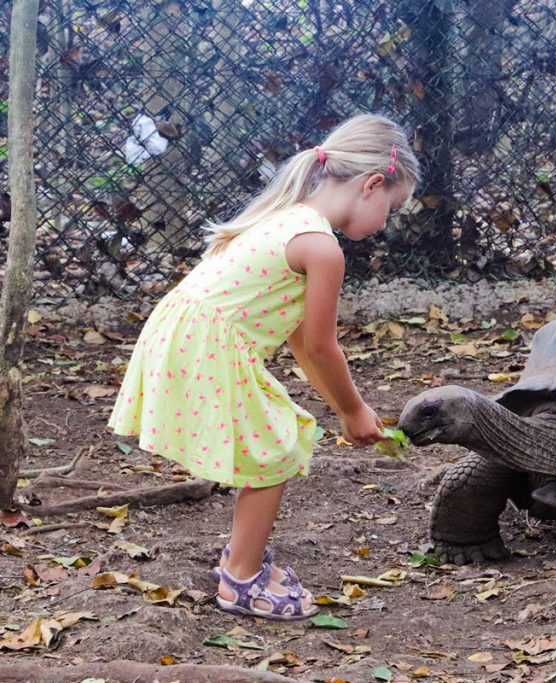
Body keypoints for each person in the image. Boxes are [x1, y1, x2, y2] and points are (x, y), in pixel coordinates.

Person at [108, 114, 419, 620]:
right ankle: (241, 581)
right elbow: (320, 347)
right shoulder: (321, 247)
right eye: (393, 207)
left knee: (273, 443)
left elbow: (300, 341)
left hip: (185, 335)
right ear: (372, 185)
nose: (387, 222)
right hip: (206, 345)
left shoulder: (288, 219)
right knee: (275, 450)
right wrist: (354, 412)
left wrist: (345, 409)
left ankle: (240, 558)